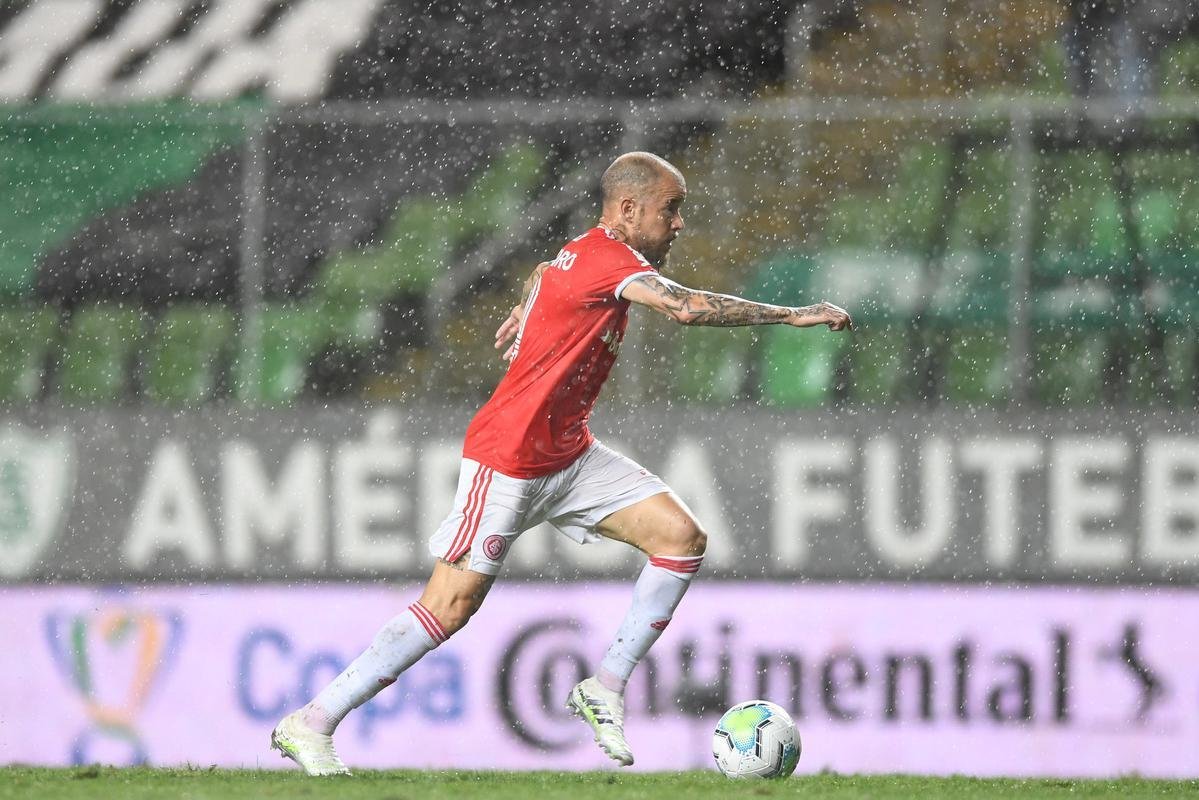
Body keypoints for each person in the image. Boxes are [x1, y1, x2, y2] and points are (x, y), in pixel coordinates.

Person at [270, 151, 852, 776]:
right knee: (450, 606)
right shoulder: (609, 259)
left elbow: (548, 270)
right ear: (627, 210)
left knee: (681, 538)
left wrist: (531, 302)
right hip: (509, 458)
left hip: (568, 453)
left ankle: (603, 685)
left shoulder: (585, 254)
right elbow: (685, 308)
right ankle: (311, 722)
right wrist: (791, 314)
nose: (679, 224)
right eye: (670, 209)